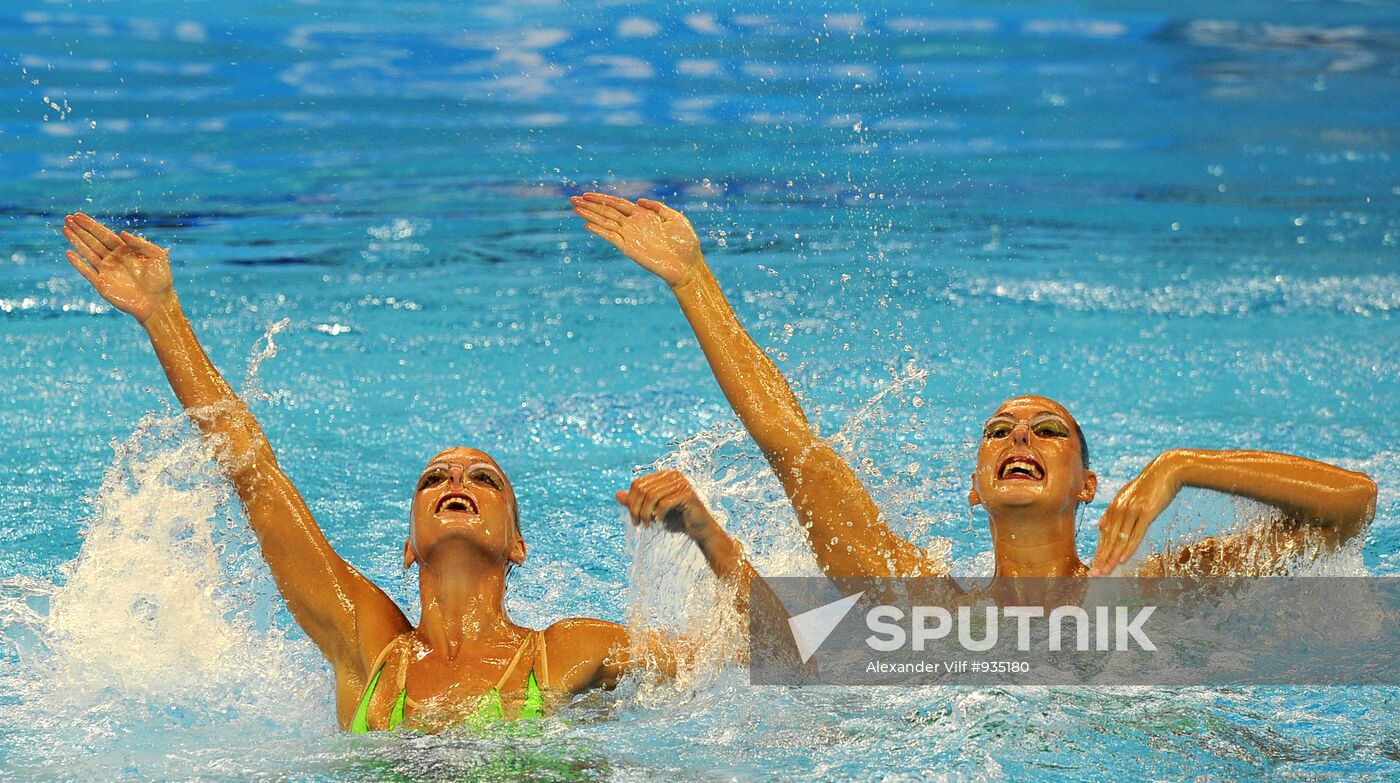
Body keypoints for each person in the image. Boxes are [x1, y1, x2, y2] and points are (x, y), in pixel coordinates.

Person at [59, 212, 786, 732]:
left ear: (517, 544)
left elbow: (783, 649)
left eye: (483, 479)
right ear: (408, 545)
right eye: (434, 478)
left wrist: (705, 532)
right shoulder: (368, 647)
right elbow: (255, 476)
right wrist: (163, 314)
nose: (455, 482)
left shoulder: (569, 652)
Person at [570, 193, 1378, 582]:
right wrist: (694, 280)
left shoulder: (1151, 594)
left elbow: (1351, 507)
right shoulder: (920, 604)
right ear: (973, 486)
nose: (1019, 435)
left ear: (1089, 486)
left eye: (1047, 429)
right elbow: (793, 444)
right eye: (999, 430)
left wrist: (1184, 464)